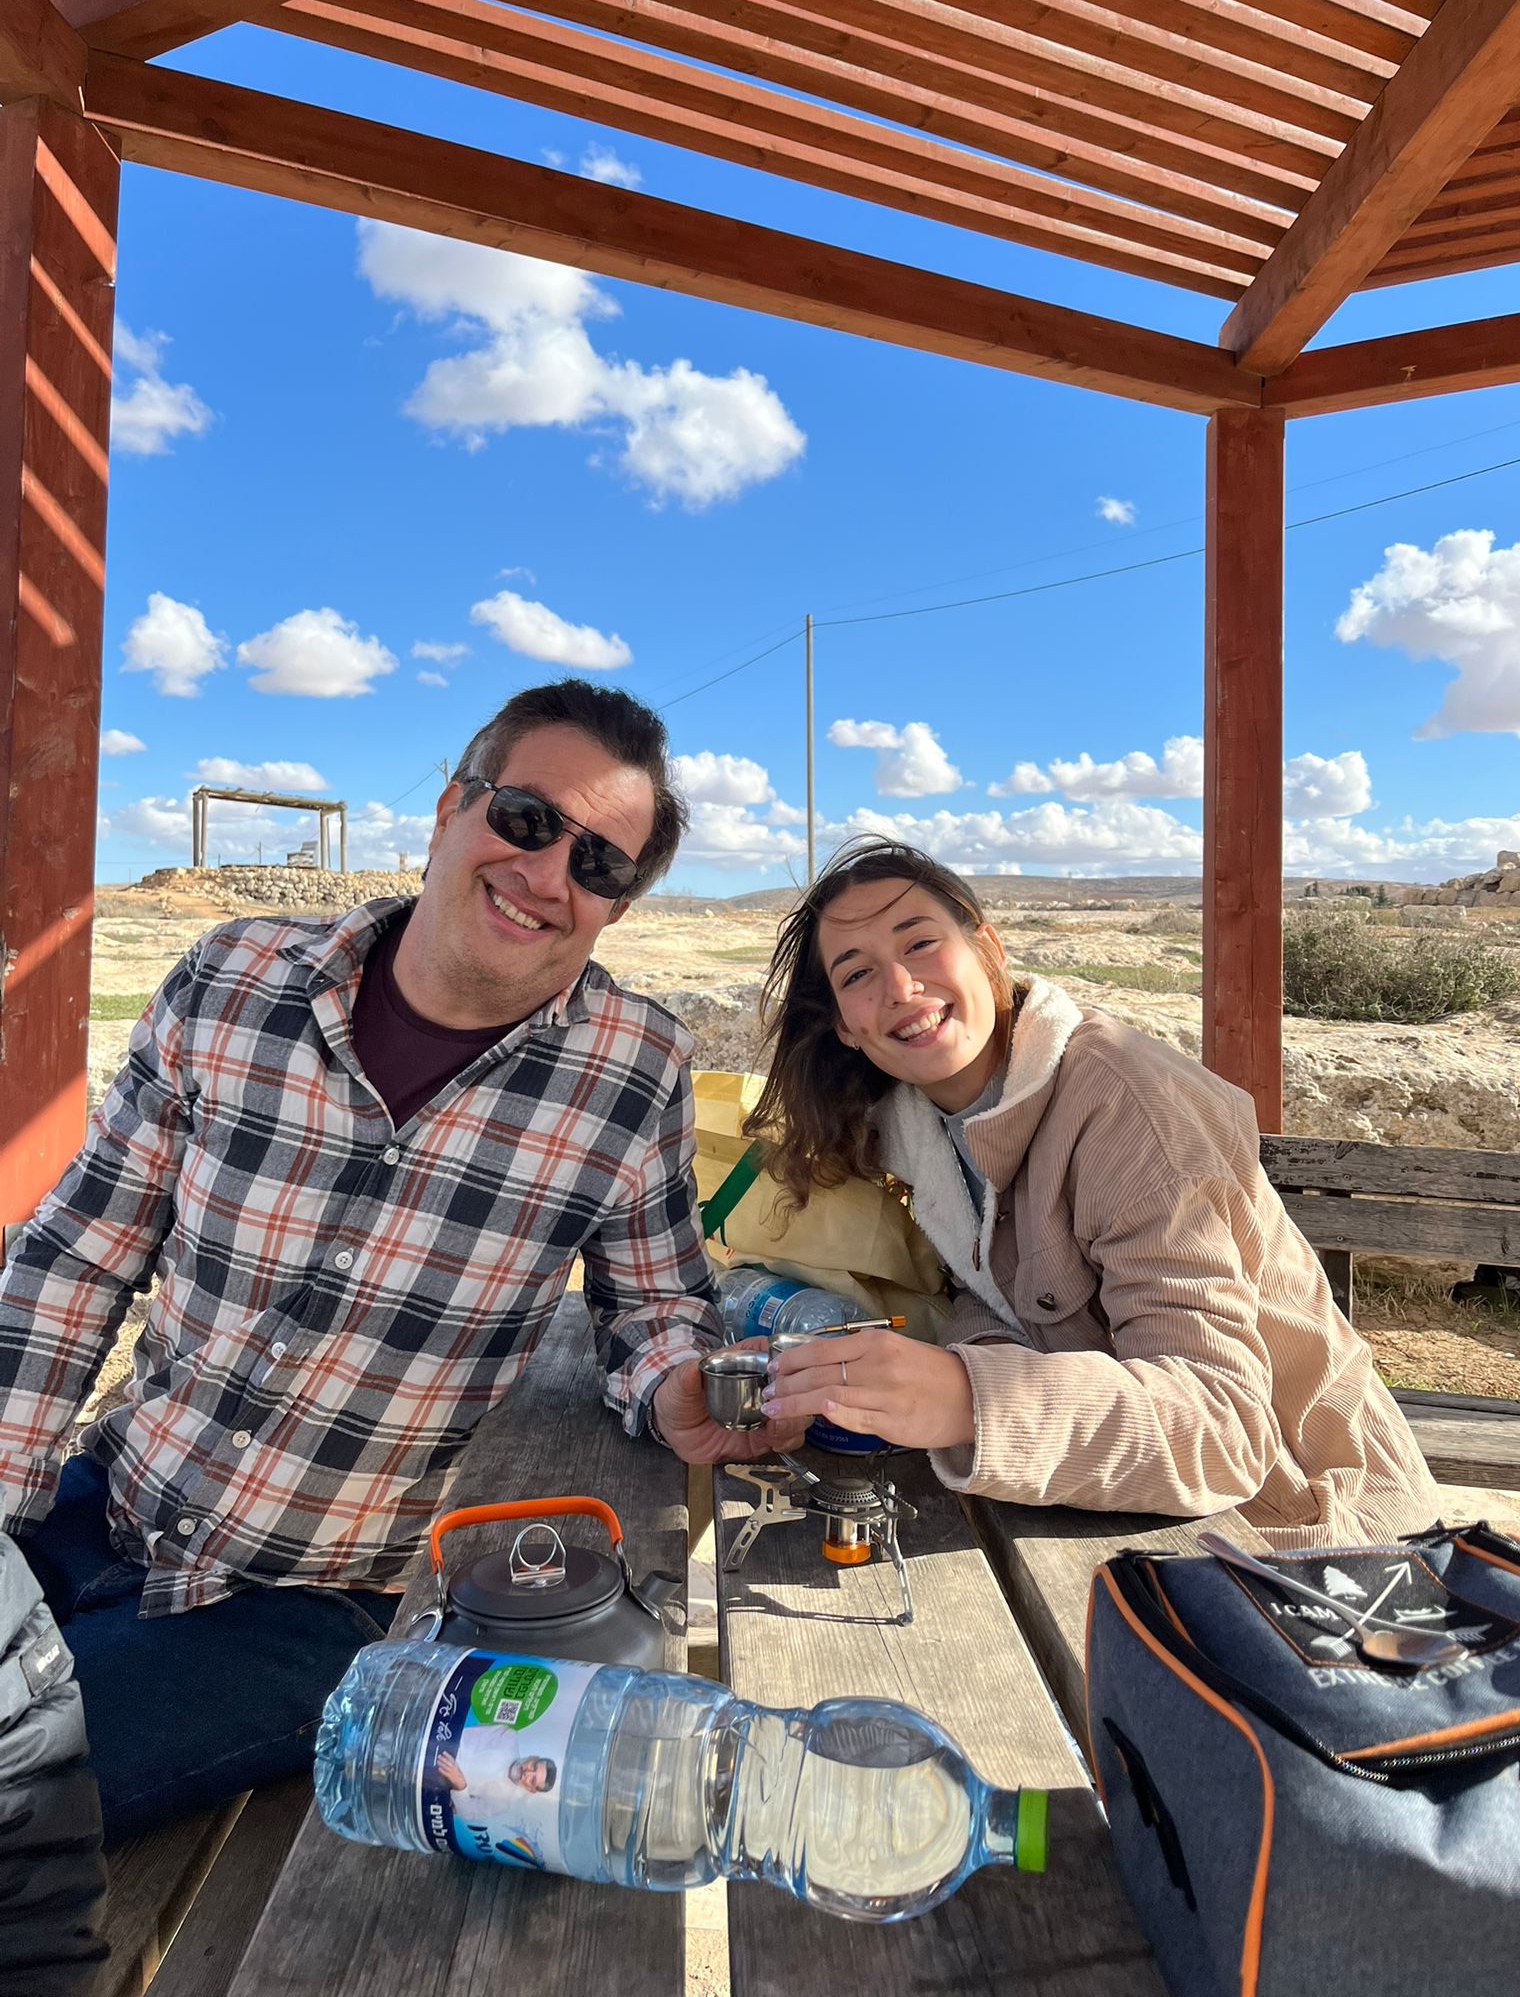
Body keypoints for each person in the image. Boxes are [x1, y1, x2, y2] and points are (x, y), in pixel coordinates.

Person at [0, 678, 793, 1839]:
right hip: (106, 1500)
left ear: (616, 907)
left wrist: (682, 1384)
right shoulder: (233, 979)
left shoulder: (634, 1070)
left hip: (328, 1598)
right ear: (447, 809)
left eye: (597, 863)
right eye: (526, 818)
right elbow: (75, 1256)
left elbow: (657, 1304)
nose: (546, 874)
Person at [748, 839, 1440, 1549]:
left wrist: (970, 1397)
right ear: (845, 1026)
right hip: (1131, 1522)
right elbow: (999, 1295)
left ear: (988, 950)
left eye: (920, 943)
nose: (899, 986)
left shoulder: (1126, 1106)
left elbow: (1225, 1426)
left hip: (1310, 1531)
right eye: (858, 973)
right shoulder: (922, 1132)